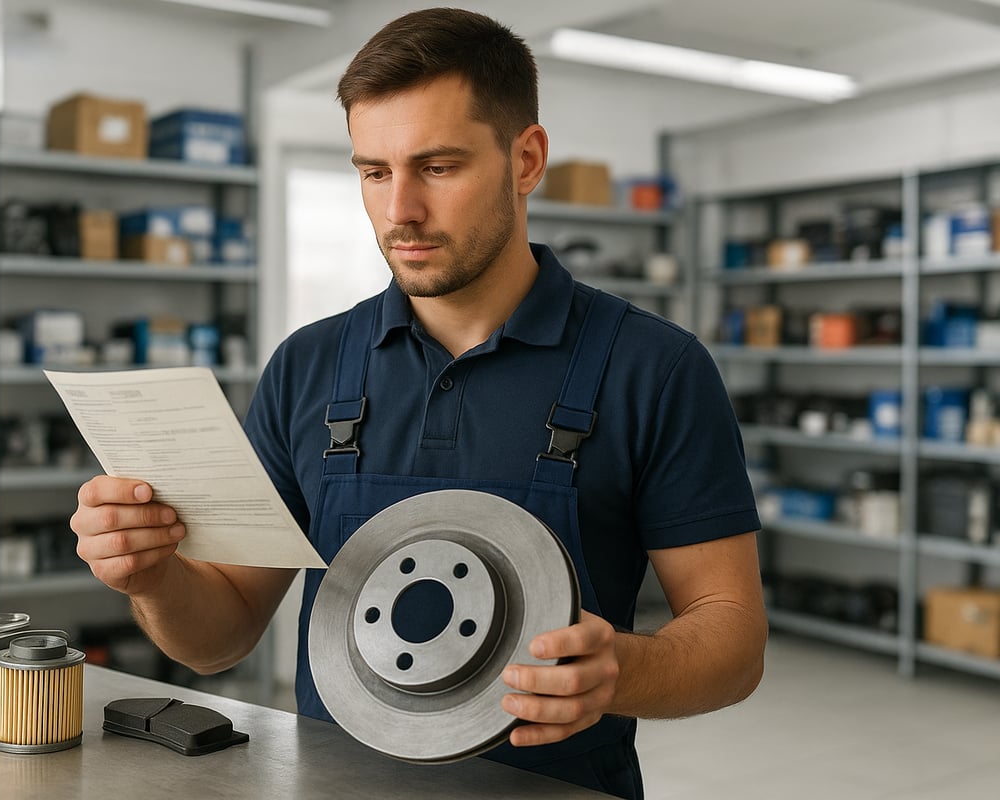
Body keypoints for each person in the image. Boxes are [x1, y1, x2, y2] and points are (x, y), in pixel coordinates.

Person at [70, 7, 767, 798]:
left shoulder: (654, 367)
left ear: (526, 158)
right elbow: (220, 635)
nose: (399, 209)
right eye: (374, 171)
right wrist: (152, 575)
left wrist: (623, 671)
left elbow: (733, 638)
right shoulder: (309, 365)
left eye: (437, 167)